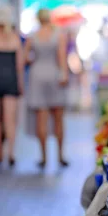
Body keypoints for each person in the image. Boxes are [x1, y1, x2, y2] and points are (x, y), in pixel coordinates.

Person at [23, 9, 69, 168]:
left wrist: (34, 60)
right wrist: (64, 74)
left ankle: (43, 157)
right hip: (54, 75)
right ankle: (60, 155)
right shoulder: (58, 35)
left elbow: (25, 57)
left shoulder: (33, 36)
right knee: (58, 118)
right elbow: (62, 57)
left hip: (37, 75)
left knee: (41, 119)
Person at [0, 6, 24, 166]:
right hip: (11, 81)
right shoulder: (15, 37)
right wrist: (20, 84)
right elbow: (19, 65)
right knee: (10, 120)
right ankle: (11, 153)